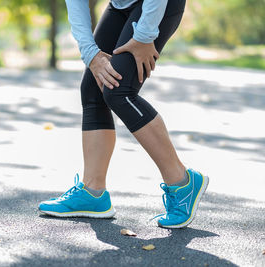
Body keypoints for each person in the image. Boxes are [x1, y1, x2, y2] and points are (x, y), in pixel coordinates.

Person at [38, 0, 209, 228]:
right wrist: (91, 55)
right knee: (93, 88)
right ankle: (93, 192)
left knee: (119, 91)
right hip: (120, 5)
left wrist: (144, 36)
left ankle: (182, 182)